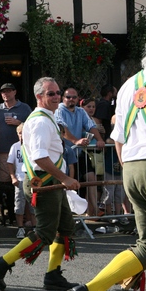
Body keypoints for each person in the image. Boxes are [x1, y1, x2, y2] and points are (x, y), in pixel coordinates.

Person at [67, 27, 146, 291]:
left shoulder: (128, 86)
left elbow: (118, 138)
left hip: (134, 169)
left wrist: (130, 171)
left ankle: (91, 290)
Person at [0, 77, 81, 291]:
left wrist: (62, 178)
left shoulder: (48, 118)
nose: (57, 97)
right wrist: (65, 178)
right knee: (46, 232)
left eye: (58, 92)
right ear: (39, 97)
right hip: (43, 181)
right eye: (51, 94)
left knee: (65, 228)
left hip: (53, 180)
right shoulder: (39, 121)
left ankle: (53, 275)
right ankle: (1, 263)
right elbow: (39, 157)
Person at [55, 87, 105, 216]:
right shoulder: (59, 110)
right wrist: (76, 141)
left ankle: (93, 211)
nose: (71, 99)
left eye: (74, 97)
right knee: (67, 183)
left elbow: (91, 126)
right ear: (63, 98)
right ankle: (66, 215)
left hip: (78, 153)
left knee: (91, 177)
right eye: (68, 97)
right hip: (64, 154)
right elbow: (62, 129)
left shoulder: (80, 111)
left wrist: (100, 140)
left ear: (78, 99)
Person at [0, 83, 32, 223]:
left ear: (15, 92)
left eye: (8, 91)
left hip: (23, 151)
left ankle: (26, 217)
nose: (5, 94)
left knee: (23, 184)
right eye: (3, 92)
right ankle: (10, 215)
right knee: (6, 185)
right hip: (3, 151)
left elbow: (33, 125)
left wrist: (19, 122)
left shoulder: (25, 108)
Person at [7, 123, 35, 238]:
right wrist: (13, 177)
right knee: (19, 205)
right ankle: (20, 228)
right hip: (19, 180)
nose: (22, 136)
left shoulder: (33, 146)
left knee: (33, 206)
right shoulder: (15, 146)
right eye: (20, 133)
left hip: (32, 180)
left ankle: (35, 228)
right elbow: (10, 163)